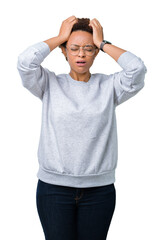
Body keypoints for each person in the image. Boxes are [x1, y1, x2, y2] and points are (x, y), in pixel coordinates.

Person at [17, 16, 147, 240]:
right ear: (64, 51)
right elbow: (25, 62)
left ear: (96, 53)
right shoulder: (48, 84)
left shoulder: (110, 86)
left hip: (100, 190)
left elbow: (137, 69)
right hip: (53, 189)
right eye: (74, 48)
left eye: (88, 48)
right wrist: (60, 37)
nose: (81, 54)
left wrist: (103, 43)